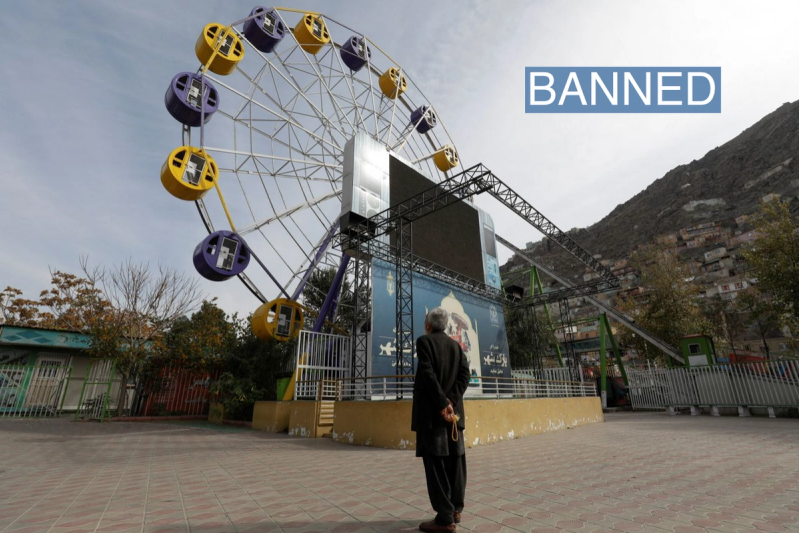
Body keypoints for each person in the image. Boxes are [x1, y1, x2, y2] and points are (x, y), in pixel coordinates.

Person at [411, 307, 471, 532]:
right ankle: (456, 509)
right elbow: (465, 375)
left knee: (436, 465)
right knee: (456, 461)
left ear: (428, 324)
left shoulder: (424, 342)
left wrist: (441, 404)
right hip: (453, 416)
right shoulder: (457, 346)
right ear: (445, 325)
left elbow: (427, 374)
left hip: (433, 416)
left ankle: (445, 518)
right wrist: (451, 402)